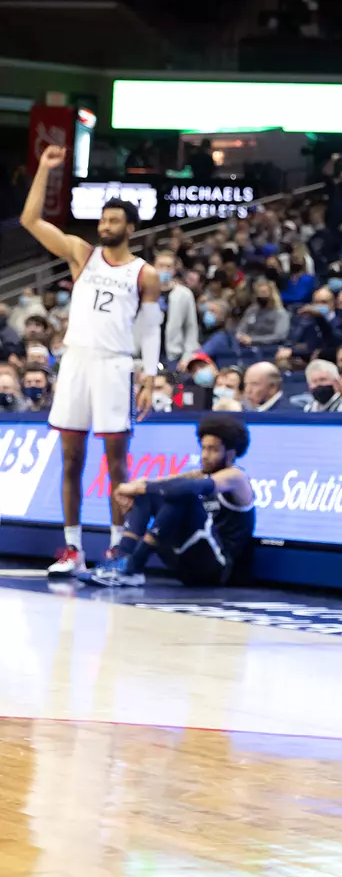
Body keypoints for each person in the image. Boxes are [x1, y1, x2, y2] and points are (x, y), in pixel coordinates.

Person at [22, 145, 160, 577]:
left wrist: (151, 376)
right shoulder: (82, 253)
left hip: (115, 365)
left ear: (130, 227)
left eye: (114, 220)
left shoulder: (145, 273)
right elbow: (31, 221)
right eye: (103, 218)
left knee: (117, 463)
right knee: (70, 460)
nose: (105, 224)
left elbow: (150, 329)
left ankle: (117, 550)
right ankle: (72, 548)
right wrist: (44, 170)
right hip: (76, 364)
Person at [84, 414, 256, 588]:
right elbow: (162, 483)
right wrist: (129, 488)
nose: (204, 455)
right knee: (152, 493)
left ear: (231, 453)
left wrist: (139, 488)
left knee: (181, 494)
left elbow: (184, 488)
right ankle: (121, 558)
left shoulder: (236, 477)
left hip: (217, 568)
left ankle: (134, 566)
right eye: (203, 448)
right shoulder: (200, 474)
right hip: (186, 564)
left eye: (212, 450)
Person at [153, 250, 198, 366]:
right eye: (161, 266)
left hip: (173, 355)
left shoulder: (184, 294)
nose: (164, 269)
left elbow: (190, 326)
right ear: (154, 267)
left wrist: (188, 356)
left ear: (174, 269)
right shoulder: (143, 292)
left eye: (169, 266)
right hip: (146, 352)